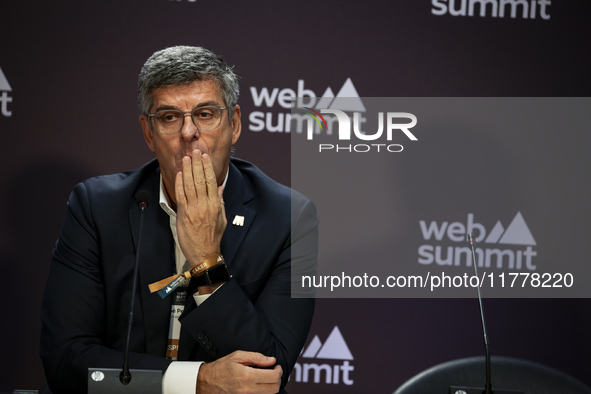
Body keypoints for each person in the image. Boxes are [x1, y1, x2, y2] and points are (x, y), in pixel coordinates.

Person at [40, 46, 318, 394]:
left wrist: (206, 262)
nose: (188, 132)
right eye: (169, 117)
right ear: (148, 132)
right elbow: (65, 359)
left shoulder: (289, 219)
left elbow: (264, 377)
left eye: (205, 114)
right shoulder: (97, 208)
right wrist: (195, 382)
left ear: (234, 124)